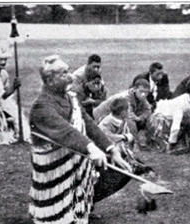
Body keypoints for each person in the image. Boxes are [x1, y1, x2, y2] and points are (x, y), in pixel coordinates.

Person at [28, 55, 136, 223]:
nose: (70, 75)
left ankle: (82, 206)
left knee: (122, 166)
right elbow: (67, 132)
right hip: (55, 172)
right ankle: (65, 211)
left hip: (78, 161)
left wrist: (111, 150)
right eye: (64, 73)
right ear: (50, 80)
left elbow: (89, 124)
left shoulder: (71, 98)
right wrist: (91, 148)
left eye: (69, 70)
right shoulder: (41, 107)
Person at [146, 79, 190, 154]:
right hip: (162, 118)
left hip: (173, 119)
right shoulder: (180, 103)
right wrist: (172, 143)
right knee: (164, 143)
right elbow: (176, 125)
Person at [92, 79, 152, 148]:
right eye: (141, 91)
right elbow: (129, 117)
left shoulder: (140, 96)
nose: (144, 94)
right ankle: (134, 145)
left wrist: (139, 118)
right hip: (98, 118)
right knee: (130, 122)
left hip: (113, 117)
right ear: (134, 89)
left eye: (146, 92)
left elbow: (148, 110)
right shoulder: (126, 97)